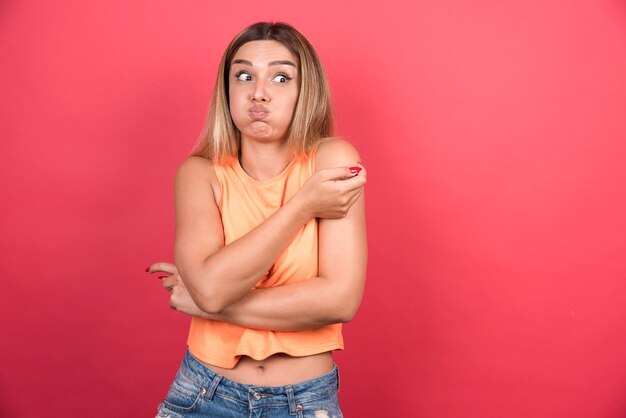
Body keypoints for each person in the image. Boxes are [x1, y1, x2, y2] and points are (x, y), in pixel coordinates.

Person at [147, 21, 367, 418]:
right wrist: (303, 206)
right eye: (244, 75)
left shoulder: (333, 160)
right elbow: (212, 289)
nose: (259, 93)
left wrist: (203, 304)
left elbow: (340, 299)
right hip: (202, 395)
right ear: (226, 90)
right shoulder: (199, 173)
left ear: (305, 91)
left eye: (281, 77)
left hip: (305, 400)